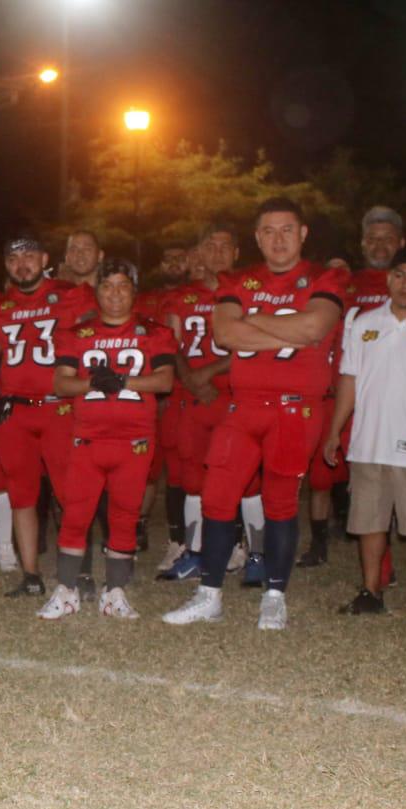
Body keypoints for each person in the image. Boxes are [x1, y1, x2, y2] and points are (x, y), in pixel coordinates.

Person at [164, 198, 348, 630]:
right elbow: (226, 332)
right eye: (268, 231)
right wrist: (288, 326)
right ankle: (209, 594)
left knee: (281, 504)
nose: (278, 239)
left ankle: (274, 595)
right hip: (243, 406)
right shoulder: (238, 278)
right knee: (217, 497)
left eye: (287, 230)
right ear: (257, 238)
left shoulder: (325, 276)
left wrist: (258, 321)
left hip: (294, 409)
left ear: (303, 234)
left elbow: (314, 328)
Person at [0, 233, 95, 596]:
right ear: (6, 265)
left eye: (29, 256)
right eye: (14, 259)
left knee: (71, 494)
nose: (22, 264)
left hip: (59, 409)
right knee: (22, 496)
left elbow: (94, 341)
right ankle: (31, 575)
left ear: (45, 258)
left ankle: (80, 572)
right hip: (15, 412)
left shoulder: (70, 294)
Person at [38, 258, 176, 619]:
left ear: (134, 291)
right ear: (97, 291)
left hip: (134, 441)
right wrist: (94, 382)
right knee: (76, 514)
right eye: (107, 285)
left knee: (125, 516)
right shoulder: (75, 333)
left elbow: (165, 380)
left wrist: (123, 381)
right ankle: (66, 590)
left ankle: (114, 592)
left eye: (122, 285)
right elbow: (60, 383)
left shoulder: (155, 331)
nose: (115, 293)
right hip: (89, 438)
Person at [324, 248, 406, 618]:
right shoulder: (362, 322)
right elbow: (349, 379)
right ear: (389, 279)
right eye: (400, 275)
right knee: (369, 522)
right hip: (368, 443)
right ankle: (371, 591)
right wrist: (334, 431)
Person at [158, 225, 239, 581]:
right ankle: (194, 551)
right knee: (191, 476)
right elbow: (171, 343)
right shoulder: (182, 296)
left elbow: (253, 343)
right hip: (193, 396)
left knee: (234, 475)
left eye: (225, 246)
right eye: (211, 246)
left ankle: (239, 548)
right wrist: (191, 378)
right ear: (200, 254)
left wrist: (207, 374)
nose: (217, 253)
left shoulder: (246, 291)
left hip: (232, 394)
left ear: (236, 252)